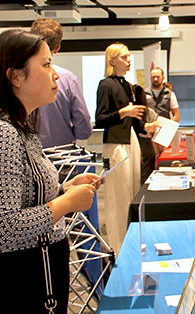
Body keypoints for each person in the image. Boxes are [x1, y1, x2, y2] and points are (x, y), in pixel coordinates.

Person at [0, 29, 99, 314]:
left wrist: (64, 189)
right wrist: (65, 203)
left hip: (40, 277)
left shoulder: (18, 125)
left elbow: (23, 195)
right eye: (46, 65)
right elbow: (4, 227)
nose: (56, 74)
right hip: (21, 284)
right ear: (15, 77)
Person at [95, 42, 150, 255]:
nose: (129, 61)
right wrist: (123, 113)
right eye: (124, 57)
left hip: (131, 142)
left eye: (129, 57)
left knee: (132, 192)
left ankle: (132, 241)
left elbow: (135, 121)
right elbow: (100, 119)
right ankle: (118, 247)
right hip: (116, 145)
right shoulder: (105, 85)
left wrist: (147, 126)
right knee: (118, 196)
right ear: (112, 60)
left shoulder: (129, 86)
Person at [30, 18, 92, 149]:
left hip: (29, 157)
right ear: (57, 48)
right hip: (63, 157)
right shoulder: (68, 79)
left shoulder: (19, 77)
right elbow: (84, 130)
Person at [134, 85, 159, 184]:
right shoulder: (149, 112)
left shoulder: (129, 113)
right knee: (147, 176)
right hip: (146, 146)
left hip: (135, 144)